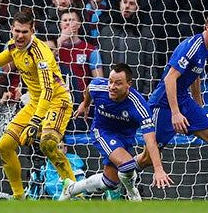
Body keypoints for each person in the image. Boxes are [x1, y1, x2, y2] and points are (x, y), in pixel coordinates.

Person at [0, 10, 78, 200]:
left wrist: (35, 122)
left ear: (32, 31)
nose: (19, 36)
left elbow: (48, 91)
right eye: (16, 31)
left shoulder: (41, 54)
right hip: (36, 101)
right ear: (12, 29)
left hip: (57, 101)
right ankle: (19, 197)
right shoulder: (14, 45)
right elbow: (7, 54)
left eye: (24, 32)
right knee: (4, 145)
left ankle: (75, 192)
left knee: (48, 144)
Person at [136, 12, 208, 201]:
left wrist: (198, 105)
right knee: (146, 159)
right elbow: (170, 78)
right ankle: (120, 180)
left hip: (185, 101)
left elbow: (195, 75)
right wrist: (175, 113)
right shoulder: (193, 46)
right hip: (163, 105)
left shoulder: (207, 49)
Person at [59, 63, 173, 201]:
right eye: (111, 81)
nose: (112, 87)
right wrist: (85, 104)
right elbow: (90, 88)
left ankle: (71, 188)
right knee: (126, 165)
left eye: (118, 83)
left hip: (124, 137)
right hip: (102, 131)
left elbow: (150, 140)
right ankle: (133, 195)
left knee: (110, 182)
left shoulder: (139, 106)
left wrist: (158, 168)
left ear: (128, 84)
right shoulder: (99, 87)